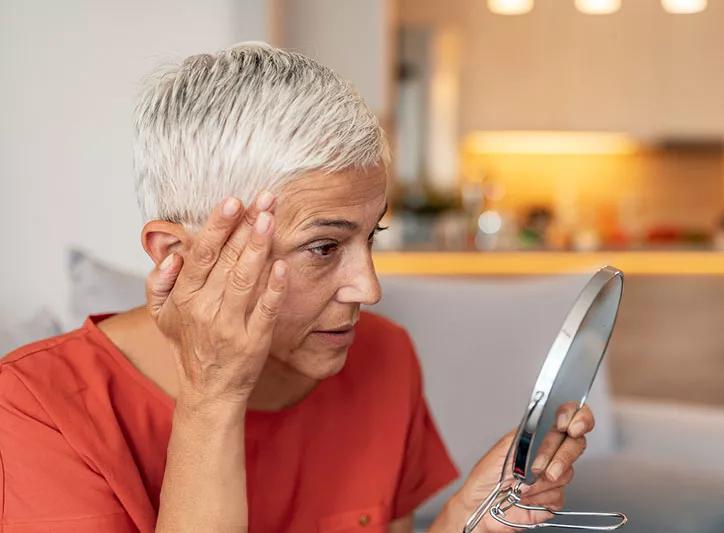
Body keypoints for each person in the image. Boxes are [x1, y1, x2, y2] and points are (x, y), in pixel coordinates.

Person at [0, 42, 594, 532]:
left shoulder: (382, 357)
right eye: (323, 247)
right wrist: (213, 396)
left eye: (371, 236)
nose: (368, 287)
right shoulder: (32, 407)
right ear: (177, 257)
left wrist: (469, 520)